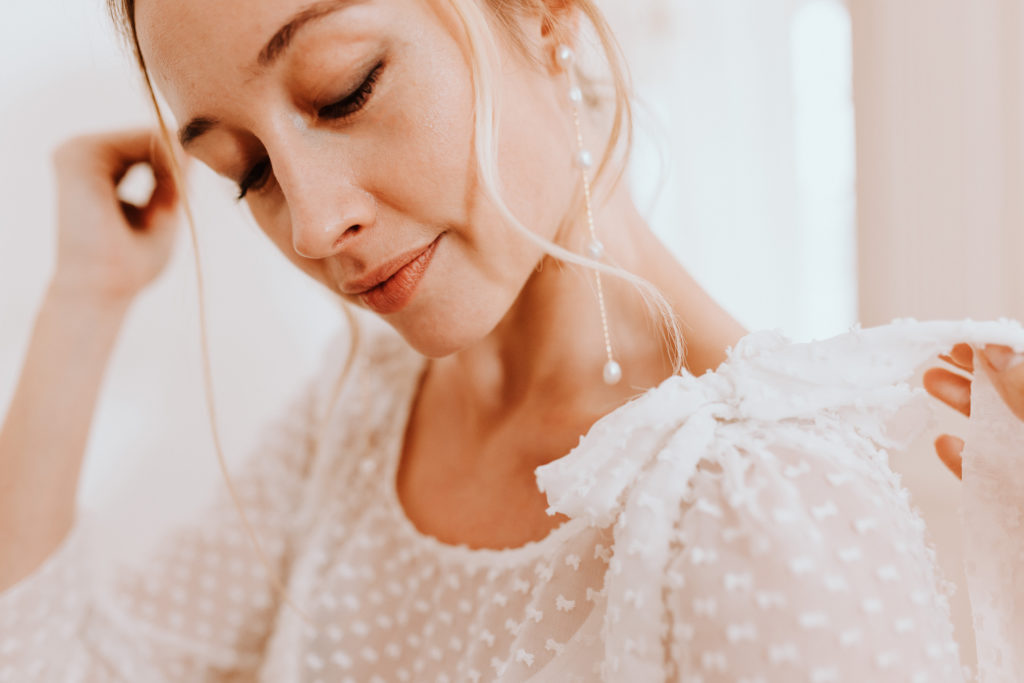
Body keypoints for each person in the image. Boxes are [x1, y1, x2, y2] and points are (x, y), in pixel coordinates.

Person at [0, 0, 1021, 680]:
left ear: (542, 12)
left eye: (345, 89)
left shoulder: (765, 502)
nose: (310, 224)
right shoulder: (365, 413)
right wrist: (83, 297)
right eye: (248, 170)